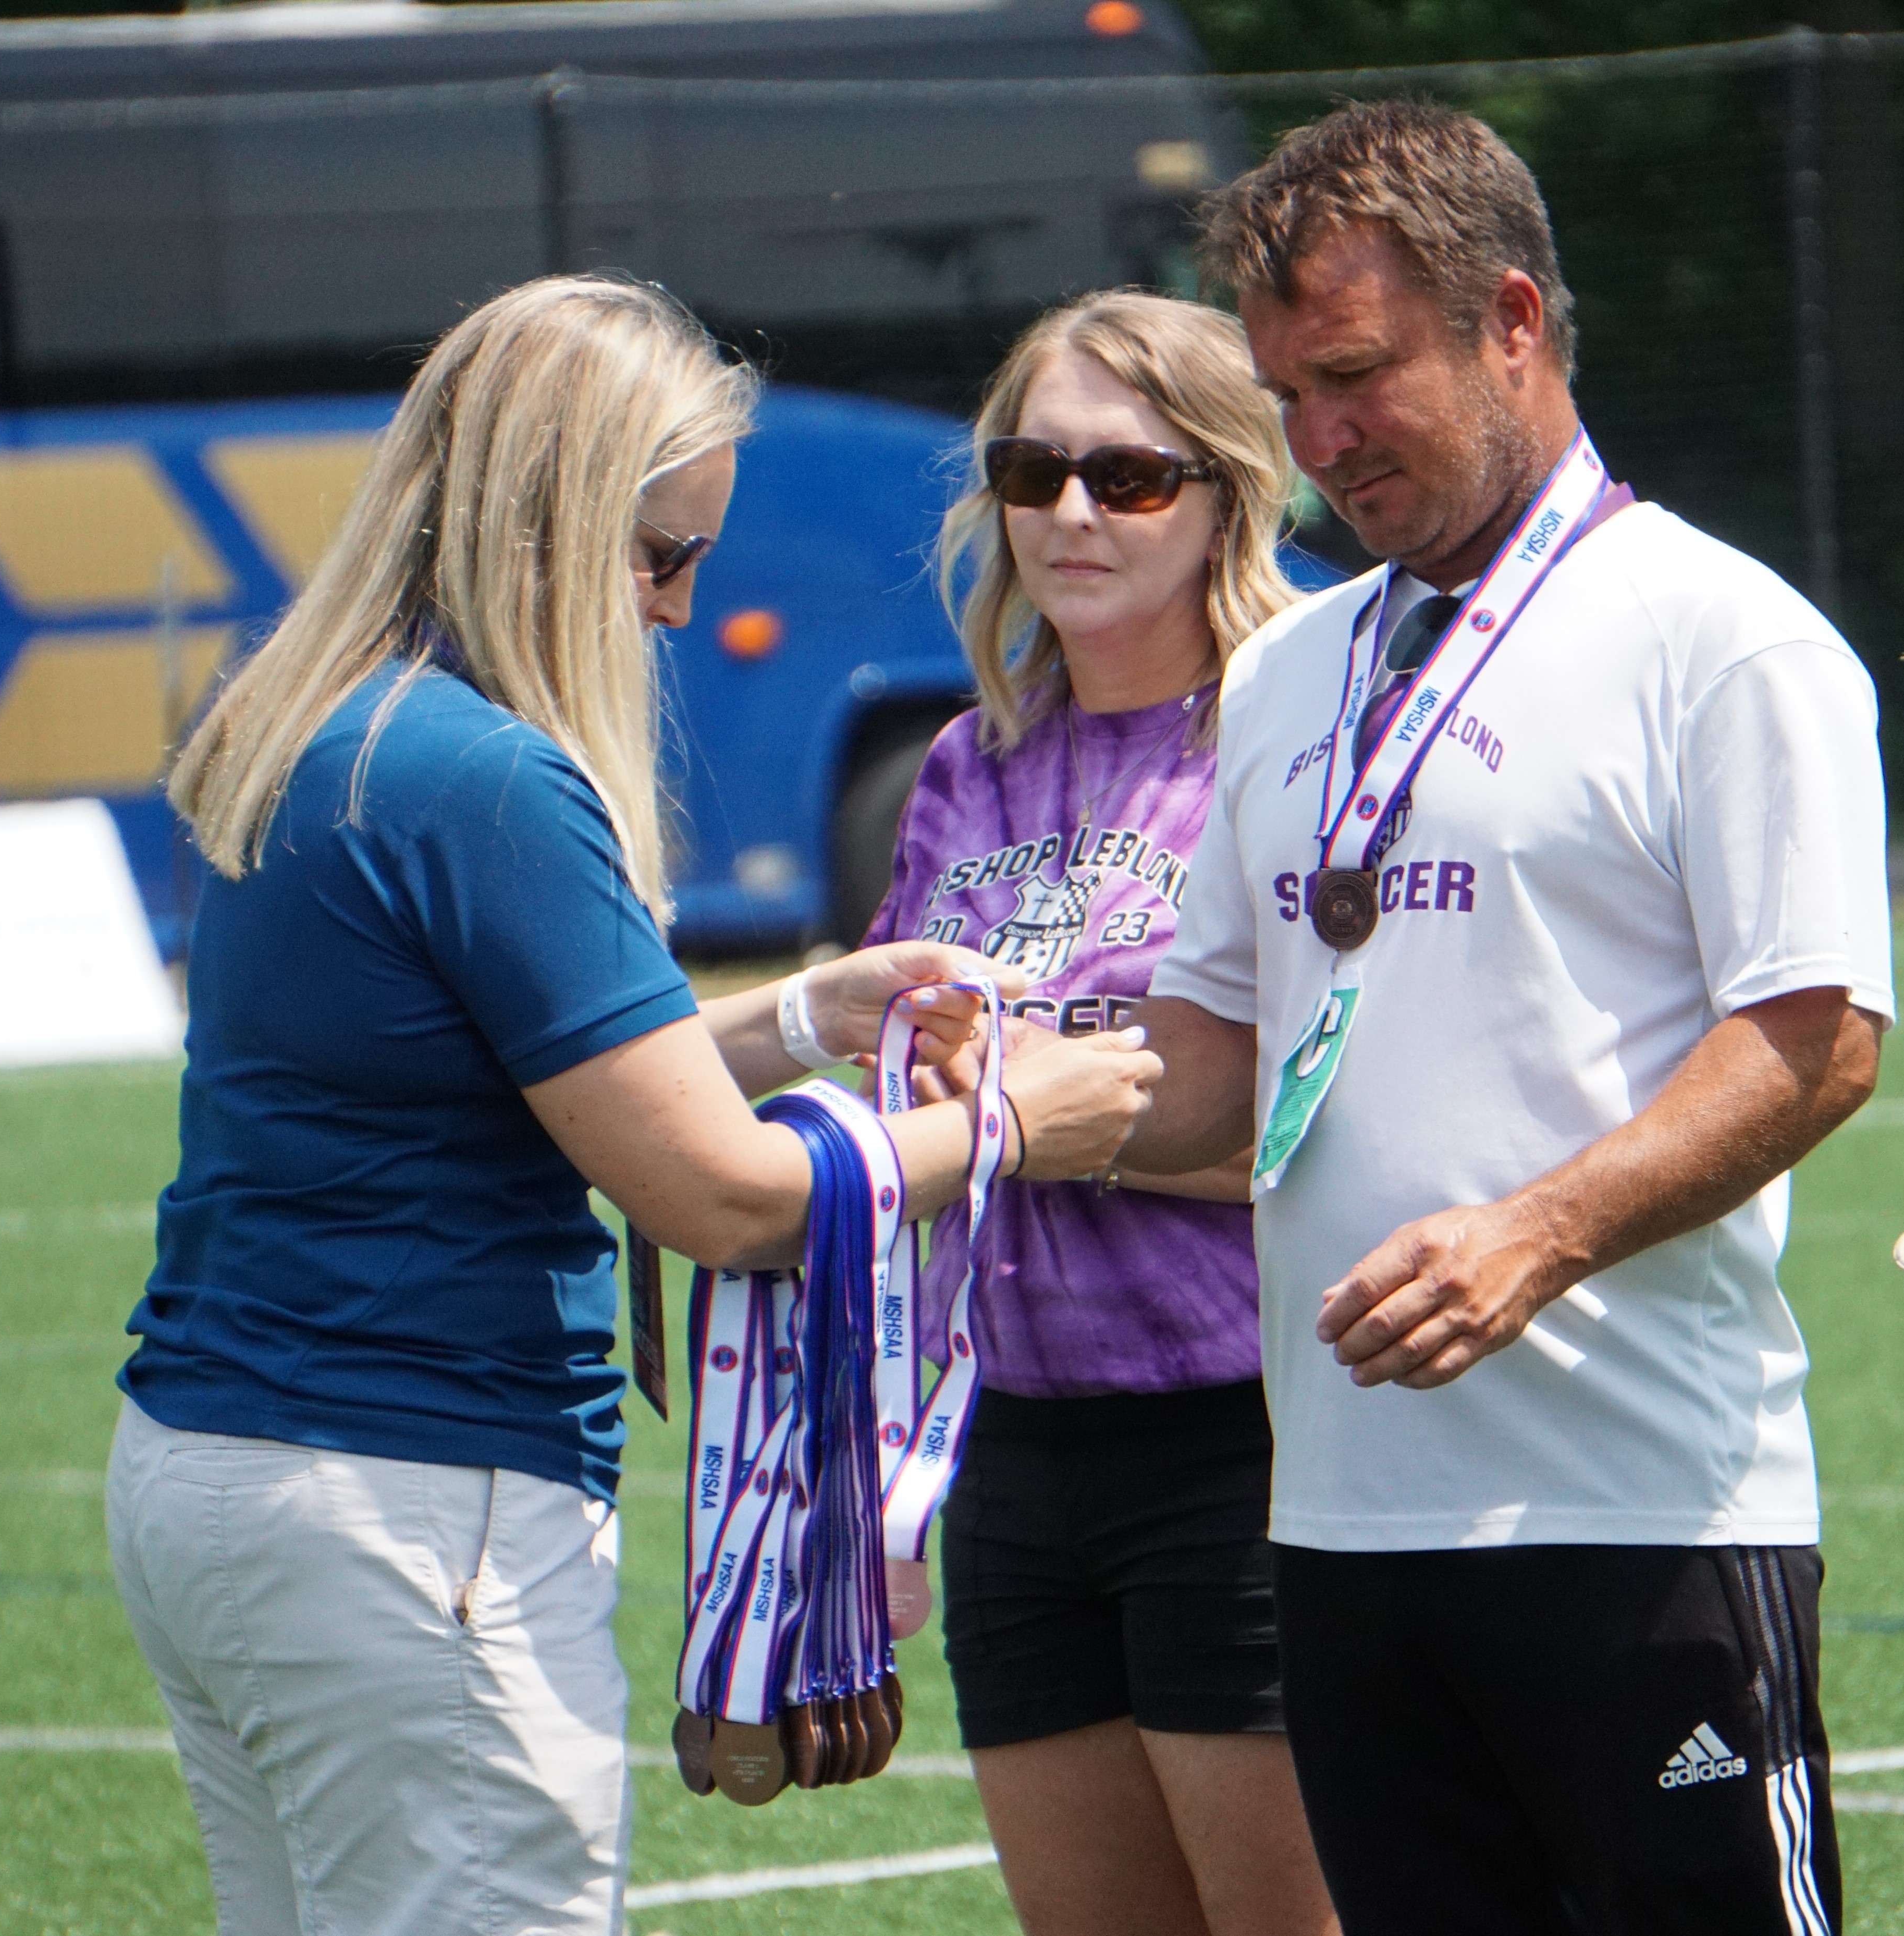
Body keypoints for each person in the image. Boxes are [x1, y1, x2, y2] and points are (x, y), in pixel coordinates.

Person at [102, 275, 1162, 1936]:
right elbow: (719, 1195)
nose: (674, 610)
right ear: (544, 521)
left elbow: (520, 1068)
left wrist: (811, 1009)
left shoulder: (323, 717)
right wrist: (1025, 1120)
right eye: (660, 555)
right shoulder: (489, 775)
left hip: (216, 1465)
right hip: (407, 1486)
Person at [1123, 102, 1891, 1935]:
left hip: (1640, 1515)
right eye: (1284, 391)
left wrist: (1534, 1236)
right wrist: (996, 1092)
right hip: (1344, 1524)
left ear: (1514, 321)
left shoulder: (1724, 636)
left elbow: (1815, 1034)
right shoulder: (1287, 670)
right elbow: (1215, 1062)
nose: (1316, 441)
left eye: (1356, 375)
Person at [864, 290, 1338, 1936]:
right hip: (1006, 1451)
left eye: (1128, 476)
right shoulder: (965, 763)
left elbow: (1348, 1113)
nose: (1069, 511)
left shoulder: (1296, 742)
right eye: (1032, 468)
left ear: (1226, 493)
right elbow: (906, 1090)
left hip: (1245, 1442)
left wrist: (1060, 1117)